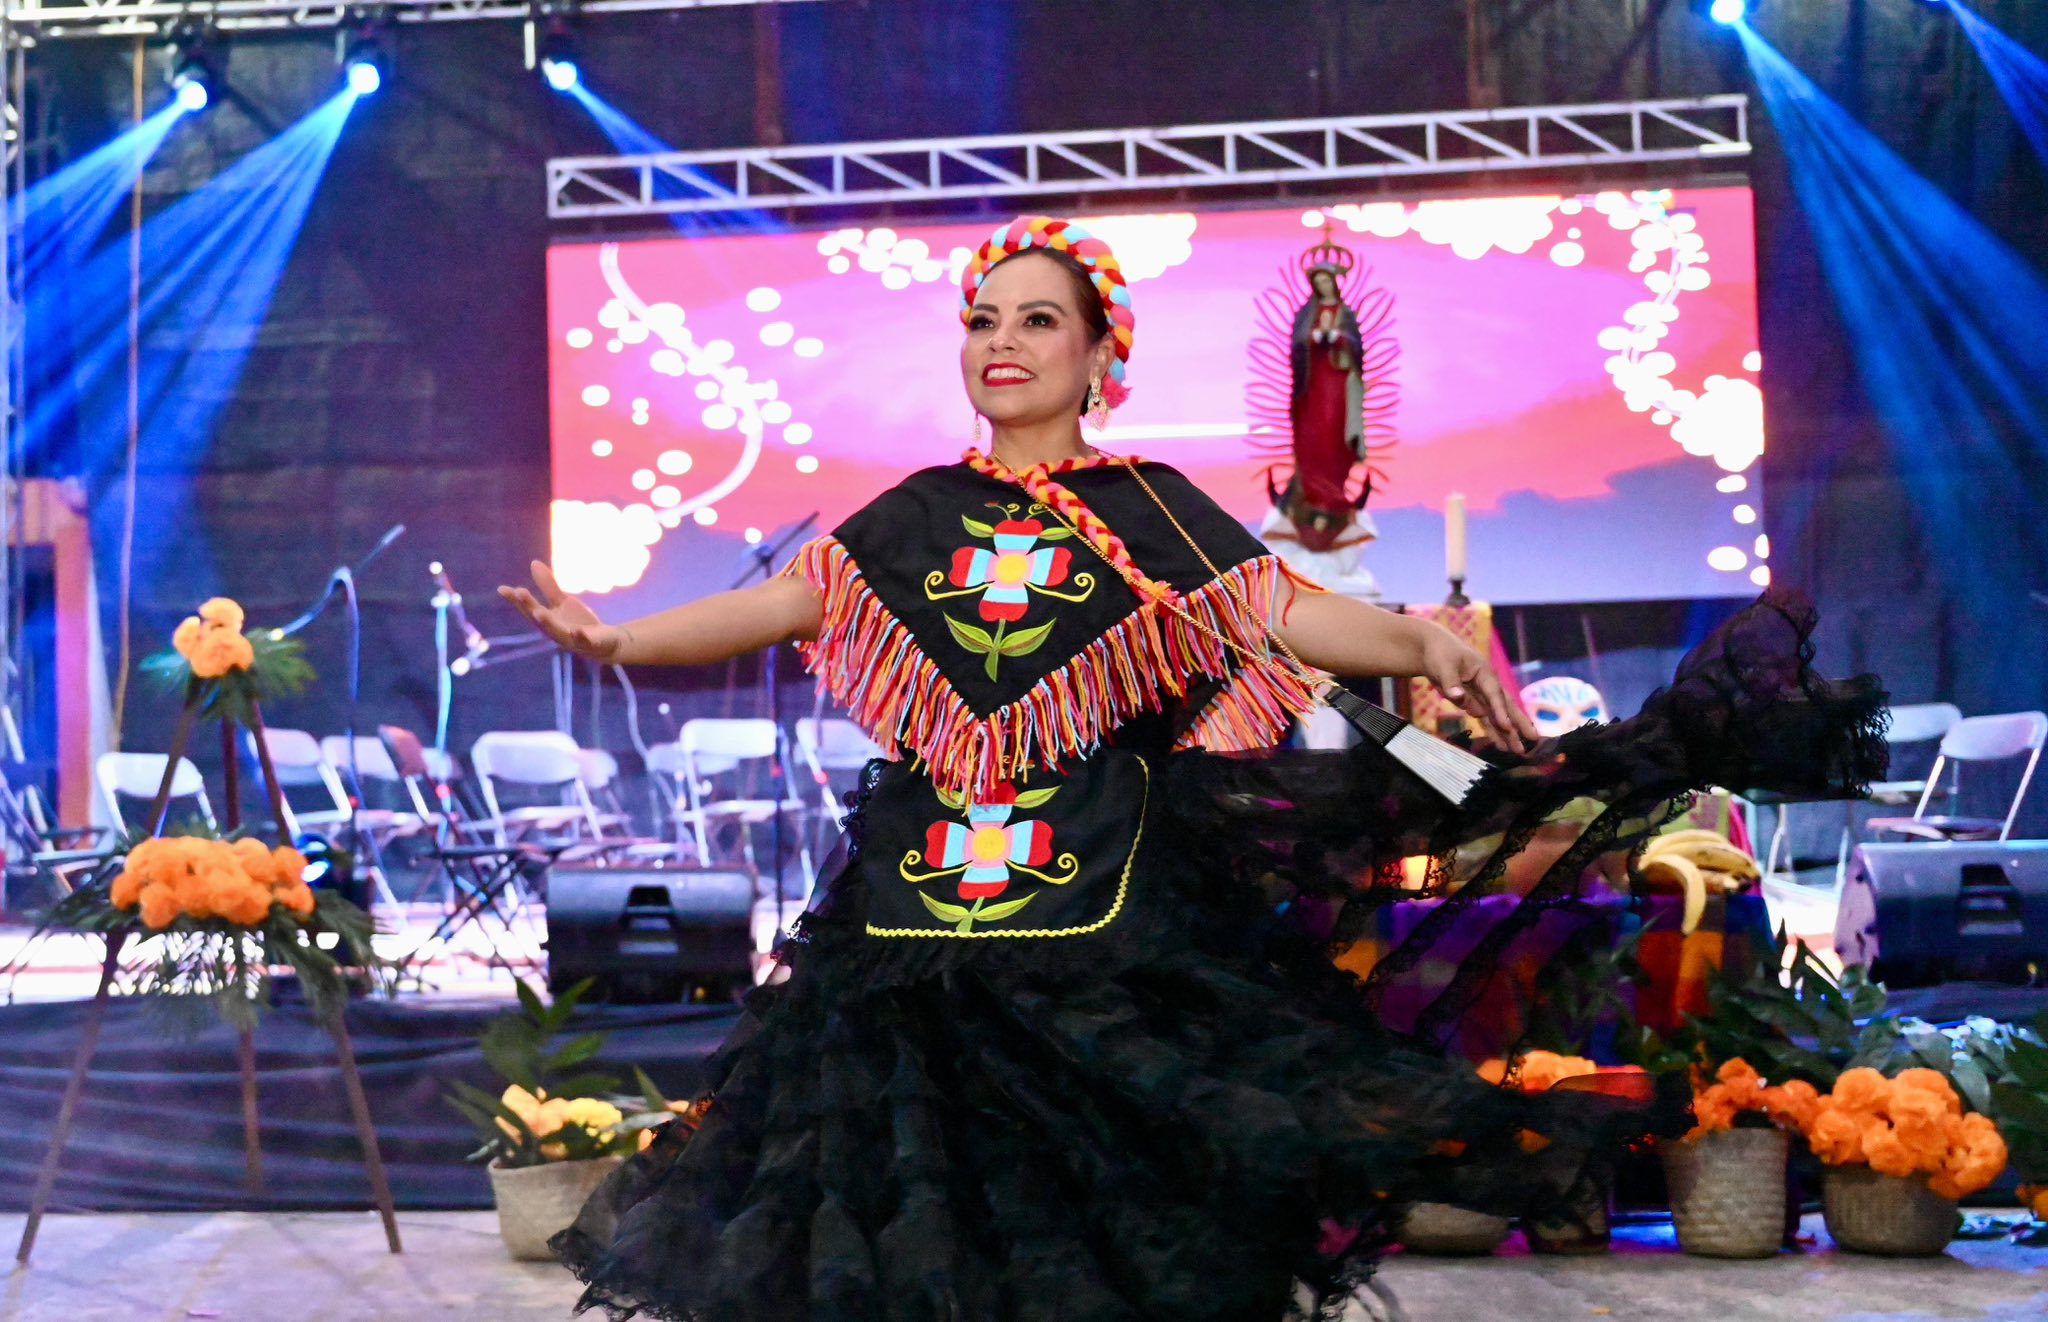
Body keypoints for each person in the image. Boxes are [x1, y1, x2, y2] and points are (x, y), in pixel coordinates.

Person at [503, 216, 1886, 1321]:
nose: (1001, 342)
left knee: (1105, 1199)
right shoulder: (915, 514)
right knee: (900, 1194)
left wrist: (1416, 636)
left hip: (1106, 901)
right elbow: (780, 604)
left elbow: (1285, 611)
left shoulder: (1152, 508)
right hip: (918, 914)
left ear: (1101, 351)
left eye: (1037, 319)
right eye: (982, 320)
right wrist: (617, 636)